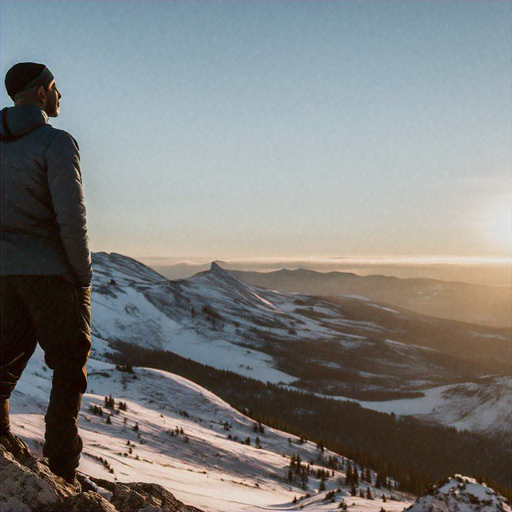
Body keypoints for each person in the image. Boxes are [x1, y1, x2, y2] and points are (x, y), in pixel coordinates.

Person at [0, 62, 92, 484]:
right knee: (69, 363)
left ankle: (1, 440)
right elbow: (70, 216)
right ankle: (62, 471)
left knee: (4, 360)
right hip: (51, 274)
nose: (60, 96)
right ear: (40, 94)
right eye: (56, 88)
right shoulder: (55, 142)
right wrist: (81, 272)